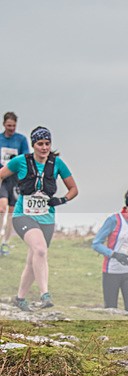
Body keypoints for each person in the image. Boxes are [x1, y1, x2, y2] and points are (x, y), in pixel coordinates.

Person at [0, 126, 78, 311]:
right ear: (33, 145)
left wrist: (61, 200)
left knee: (33, 259)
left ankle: (19, 298)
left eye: (47, 144)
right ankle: (45, 294)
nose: (44, 148)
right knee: (41, 250)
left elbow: (74, 189)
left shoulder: (57, 163)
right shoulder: (20, 161)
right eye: (40, 144)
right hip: (23, 215)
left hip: (46, 218)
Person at [0, 112, 30, 256]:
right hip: (2, 178)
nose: (11, 128)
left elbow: (26, 157)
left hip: (16, 179)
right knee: (2, 208)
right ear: (4, 124)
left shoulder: (21, 140)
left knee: (12, 212)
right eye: (9, 125)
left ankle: (4, 242)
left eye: (13, 125)